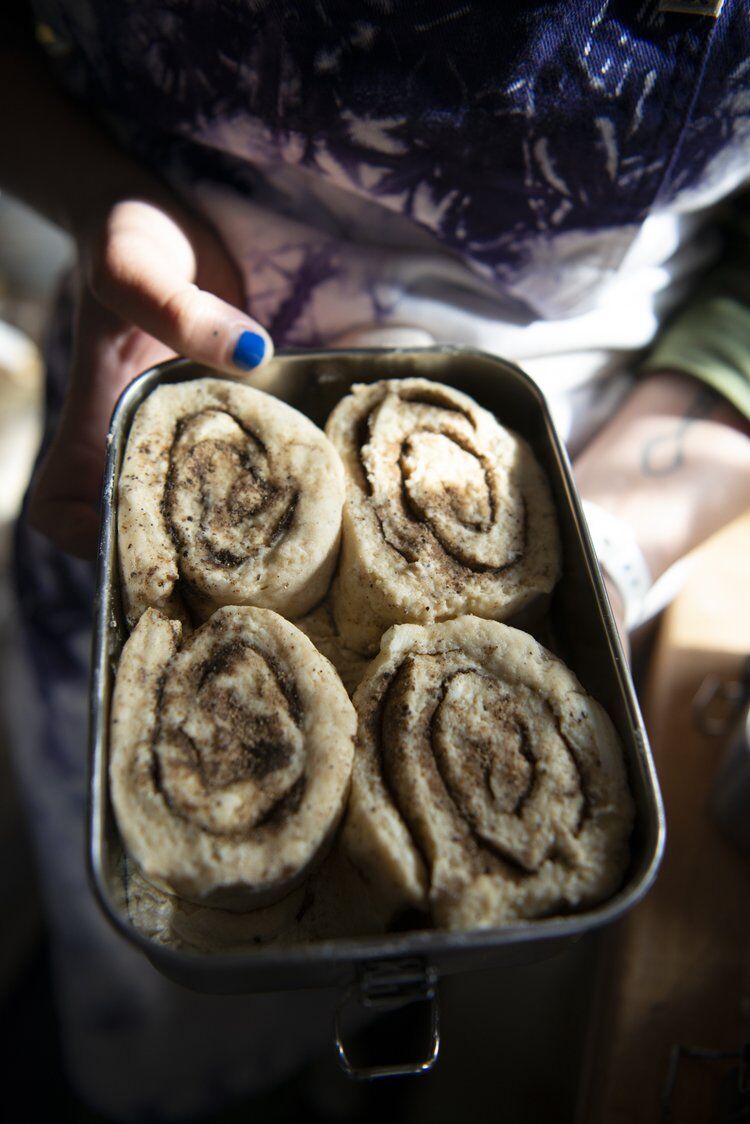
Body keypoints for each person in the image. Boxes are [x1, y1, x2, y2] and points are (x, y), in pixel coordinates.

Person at [2, 2, 749, 1119]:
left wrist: (613, 542)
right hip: (147, 370)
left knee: (433, 1000)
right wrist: (102, 191)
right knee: (149, 972)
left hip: (571, 457)